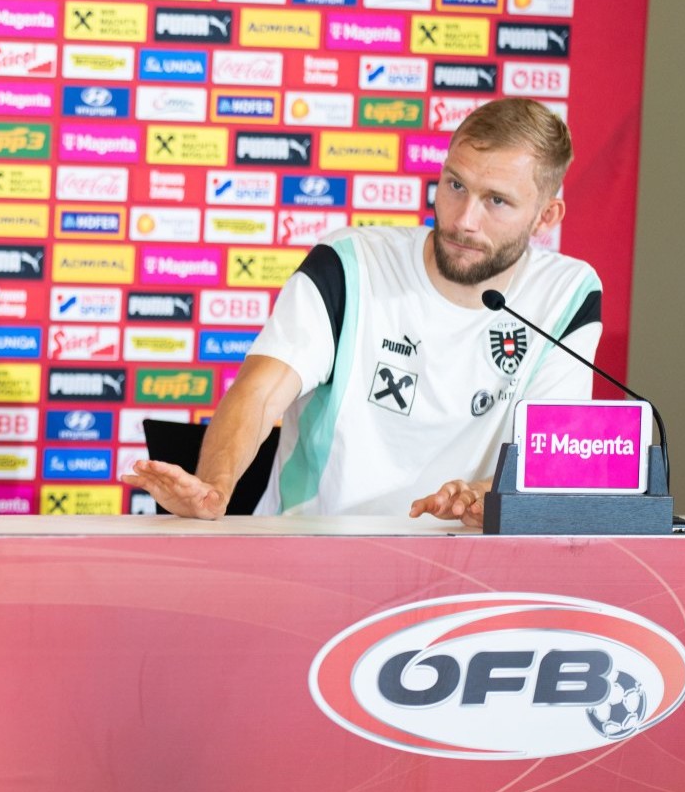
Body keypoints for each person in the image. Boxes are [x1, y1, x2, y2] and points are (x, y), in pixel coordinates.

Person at [123, 98, 601, 528]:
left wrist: (483, 497)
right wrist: (215, 486)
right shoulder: (350, 263)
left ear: (546, 217)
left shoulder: (567, 295)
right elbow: (261, 392)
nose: (463, 219)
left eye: (496, 201)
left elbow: (549, 461)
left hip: (467, 564)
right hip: (314, 549)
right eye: (455, 184)